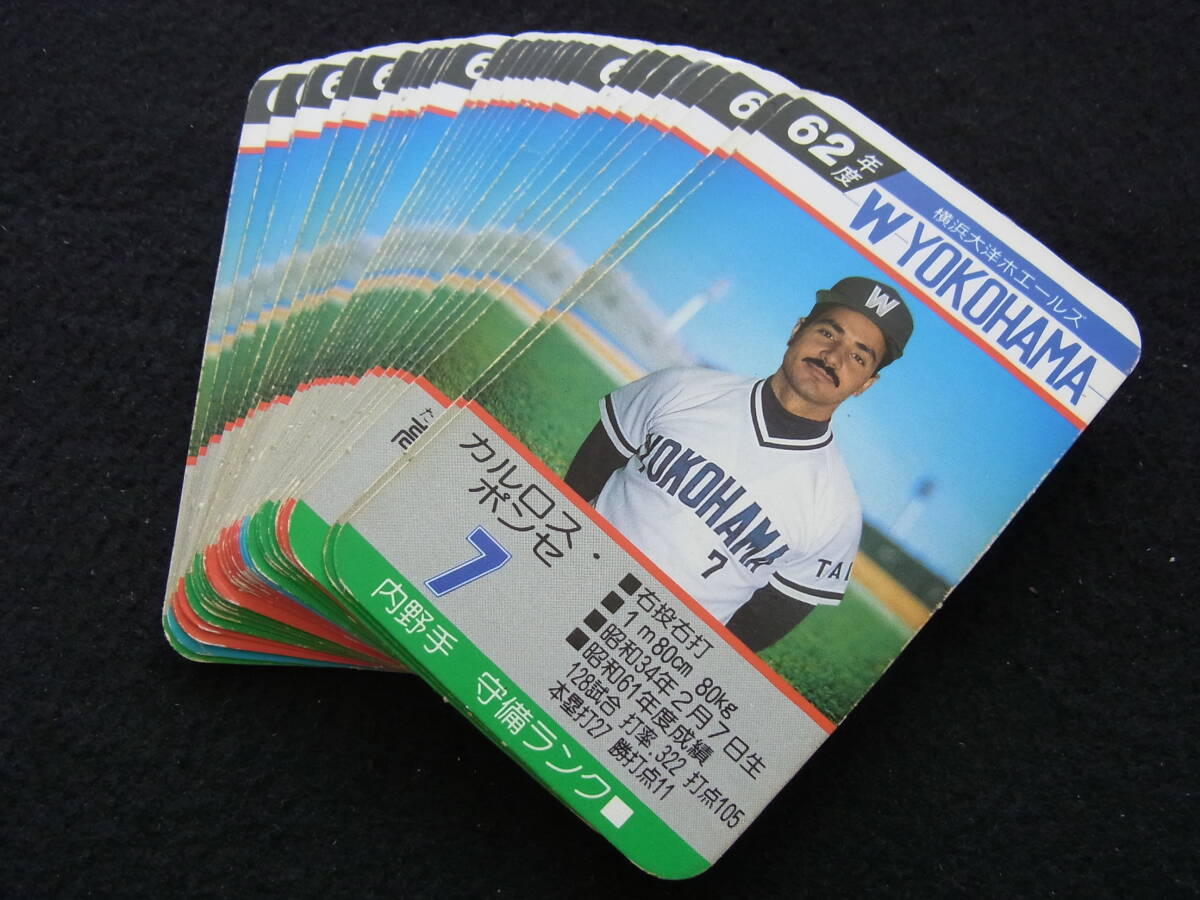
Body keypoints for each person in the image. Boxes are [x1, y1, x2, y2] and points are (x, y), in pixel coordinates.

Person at [564, 276, 914, 652]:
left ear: (866, 383)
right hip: (569, 577)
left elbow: (760, 626)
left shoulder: (837, 511)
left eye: (859, 357)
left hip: (655, 651)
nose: (832, 358)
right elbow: (579, 483)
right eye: (828, 333)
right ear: (797, 330)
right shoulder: (681, 387)